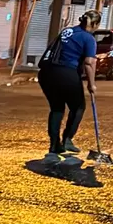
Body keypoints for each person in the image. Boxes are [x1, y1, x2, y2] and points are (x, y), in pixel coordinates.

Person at [38, 9, 101, 160]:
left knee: (57, 108)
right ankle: (67, 140)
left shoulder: (67, 31)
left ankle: (54, 145)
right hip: (66, 73)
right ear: (96, 24)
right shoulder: (88, 38)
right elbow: (89, 62)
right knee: (78, 107)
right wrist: (91, 84)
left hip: (46, 72)